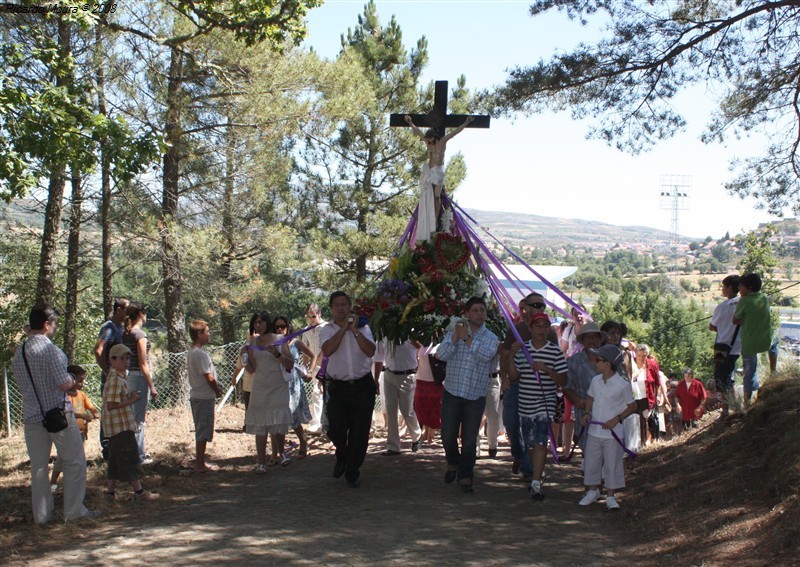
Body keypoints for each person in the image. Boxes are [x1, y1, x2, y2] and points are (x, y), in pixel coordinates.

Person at [12, 305, 98, 524]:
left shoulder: (19, 353)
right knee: (74, 462)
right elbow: (63, 383)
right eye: (54, 324)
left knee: (39, 467)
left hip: (32, 416)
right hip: (58, 415)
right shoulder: (51, 351)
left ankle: (41, 516)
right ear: (47, 324)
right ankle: (74, 510)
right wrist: (71, 378)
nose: (55, 328)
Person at [436, 297, 499, 494]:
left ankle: (465, 475)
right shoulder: (454, 331)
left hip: (475, 395)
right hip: (452, 391)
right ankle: (453, 463)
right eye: (475, 310)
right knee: (447, 435)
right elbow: (440, 354)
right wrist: (456, 337)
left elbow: (485, 356)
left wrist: (466, 338)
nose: (480, 313)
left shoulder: (491, 337)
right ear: (467, 313)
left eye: (482, 310)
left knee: (470, 439)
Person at [507, 312, 568, 502]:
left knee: (541, 441)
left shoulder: (555, 351)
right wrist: (511, 355)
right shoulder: (523, 350)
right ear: (531, 329)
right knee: (531, 443)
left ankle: (535, 483)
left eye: (545, 326)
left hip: (546, 402)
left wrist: (546, 369)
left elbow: (563, 379)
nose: (542, 329)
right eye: (538, 326)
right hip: (525, 403)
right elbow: (514, 377)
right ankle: (538, 473)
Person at [320, 291, 377, 488]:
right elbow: (327, 350)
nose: (341, 308)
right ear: (331, 308)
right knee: (335, 428)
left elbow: (371, 351)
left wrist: (353, 330)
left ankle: (352, 470)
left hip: (362, 385)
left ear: (350, 305)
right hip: (338, 387)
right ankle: (342, 456)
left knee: (359, 432)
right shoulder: (326, 329)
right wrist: (343, 329)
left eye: (344, 304)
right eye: (337, 305)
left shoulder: (363, 327)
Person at [499, 293, 556, 481]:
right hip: (516, 385)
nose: (540, 308)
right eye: (536, 304)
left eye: (542, 305)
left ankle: (532, 471)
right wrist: (504, 377)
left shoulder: (550, 331)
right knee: (511, 424)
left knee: (535, 432)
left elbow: (556, 358)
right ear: (526, 307)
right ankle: (519, 457)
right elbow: (504, 355)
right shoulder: (516, 330)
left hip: (538, 390)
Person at [579, 344, 637, 511]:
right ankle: (592, 491)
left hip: (613, 434)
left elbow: (632, 407)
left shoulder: (622, 384)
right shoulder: (595, 381)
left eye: (598, 360)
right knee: (591, 462)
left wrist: (616, 419)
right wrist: (587, 413)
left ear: (608, 364)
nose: (594, 362)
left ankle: (611, 496)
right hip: (594, 432)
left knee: (612, 464)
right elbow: (590, 398)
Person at [102, 343, 159, 501]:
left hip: (118, 426)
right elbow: (111, 405)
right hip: (120, 428)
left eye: (127, 358)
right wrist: (131, 400)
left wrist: (129, 400)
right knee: (130, 459)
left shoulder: (120, 377)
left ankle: (110, 492)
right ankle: (139, 492)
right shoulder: (115, 379)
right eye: (121, 359)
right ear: (112, 360)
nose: (126, 362)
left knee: (114, 460)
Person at [404, 114, 475, 239]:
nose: (429, 142)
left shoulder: (442, 142)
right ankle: (428, 220)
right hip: (429, 172)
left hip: (438, 173)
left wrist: (466, 123)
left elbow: (455, 132)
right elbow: (419, 132)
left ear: (435, 137)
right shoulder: (428, 143)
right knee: (427, 197)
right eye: (428, 140)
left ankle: (435, 220)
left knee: (436, 197)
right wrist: (410, 123)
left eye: (431, 139)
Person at [244, 312, 294, 473]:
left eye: (261, 322)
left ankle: (282, 453)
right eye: (255, 323)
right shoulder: (253, 342)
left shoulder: (279, 339)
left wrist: (276, 353)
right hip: (260, 387)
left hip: (277, 385)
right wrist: (244, 358)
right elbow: (252, 368)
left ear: (267, 323)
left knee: (277, 421)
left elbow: (290, 364)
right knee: (260, 424)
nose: (258, 325)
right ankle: (261, 463)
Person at [50, 365, 100, 490]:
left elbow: (91, 407)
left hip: (81, 432)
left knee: (79, 456)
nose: (82, 383)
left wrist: (95, 413)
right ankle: (53, 482)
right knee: (62, 457)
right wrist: (82, 415)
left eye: (83, 380)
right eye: (79, 380)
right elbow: (67, 413)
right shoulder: (64, 396)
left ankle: (76, 481)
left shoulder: (82, 395)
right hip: (68, 431)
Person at [92, 297, 129, 459]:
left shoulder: (121, 328)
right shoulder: (109, 328)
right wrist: (107, 371)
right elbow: (98, 350)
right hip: (111, 377)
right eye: (127, 309)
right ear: (119, 310)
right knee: (109, 410)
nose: (129, 312)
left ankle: (119, 447)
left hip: (122, 377)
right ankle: (107, 449)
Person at [373, 339, 423, 455]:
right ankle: (393, 446)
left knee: (407, 410)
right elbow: (378, 358)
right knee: (391, 410)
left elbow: (419, 346)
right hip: (389, 374)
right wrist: (375, 379)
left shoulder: (408, 330)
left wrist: (409, 335)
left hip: (407, 375)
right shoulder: (384, 333)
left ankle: (416, 436)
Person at [274, 315, 314, 460]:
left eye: (282, 326)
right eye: (277, 326)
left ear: (288, 327)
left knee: (293, 415)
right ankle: (281, 452)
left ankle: (303, 442)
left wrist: (310, 371)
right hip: (278, 382)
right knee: (280, 417)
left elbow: (312, 356)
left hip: (294, 383)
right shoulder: (273, 343)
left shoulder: (296, 342)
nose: (280, 329)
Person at [563, 321, 607, 451]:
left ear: (600, 339)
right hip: (585, 415)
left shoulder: (609, 358)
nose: (591, 340)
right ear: (582, 340)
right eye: (588, 337)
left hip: (609, 414)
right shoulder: (574, 361)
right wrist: (578, 400)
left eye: (594, 337)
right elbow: (567, 387)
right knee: (589, 454)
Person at [121, 302, 156, 464]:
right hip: (139, 378)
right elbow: (143, 364)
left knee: (131, 417)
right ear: (141, 314)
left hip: (128, 377)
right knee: (138, 419)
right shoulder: (140, 335)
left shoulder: (126, 334)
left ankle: (132, 452)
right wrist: (152, 386)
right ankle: (138, 456)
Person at [187, 319, 222, 473]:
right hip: (202, 396)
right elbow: (208, 376)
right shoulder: (199, 354)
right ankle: (199, 464)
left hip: (200, 396)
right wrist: (217, 390)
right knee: (203, 430)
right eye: (207, 331)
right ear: (200, 334)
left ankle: (201, 462)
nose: (209, 334)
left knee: (204, 429)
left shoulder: (194, 351)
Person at [733, 273, 771, 406]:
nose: (739, 289)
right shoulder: (764, 298)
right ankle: (773, 371)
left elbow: (735, 320)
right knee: (775, 344)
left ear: (748, 287)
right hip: (765, 338)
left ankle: (747, 402)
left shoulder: (744, 301)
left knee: (749, 373)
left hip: (749, 342)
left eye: (741, 286)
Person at [709, 274, 741, 417]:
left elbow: (712, 326)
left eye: (724, 286)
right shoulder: (743, 303)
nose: (722, 289)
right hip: (737, 346)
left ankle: (726, 409)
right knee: (730, 374)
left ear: (729, 287)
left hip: (722, 346)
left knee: (721, 377)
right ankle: (732, 405)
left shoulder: (722, 306)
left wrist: (722, 328)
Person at [301, 304, 325, 434]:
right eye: (309, 316)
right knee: (316, 393)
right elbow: (306, 350)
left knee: (326, 393)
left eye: (313, 316)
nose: (311, 319)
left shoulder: (326, 327)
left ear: (319, 314)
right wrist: (305, 368)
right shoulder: (306, 330)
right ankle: (317, 422)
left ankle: (326, 422)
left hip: (328, 364)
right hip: (315, 366)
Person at [413, 343, 444, 444]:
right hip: (421, 379)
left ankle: (431, 435)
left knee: (434, 408)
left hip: (434, 381)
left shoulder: (440, 345)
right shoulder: (422, 346)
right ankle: (425, 432)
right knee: (422, 407)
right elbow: (415, 360)